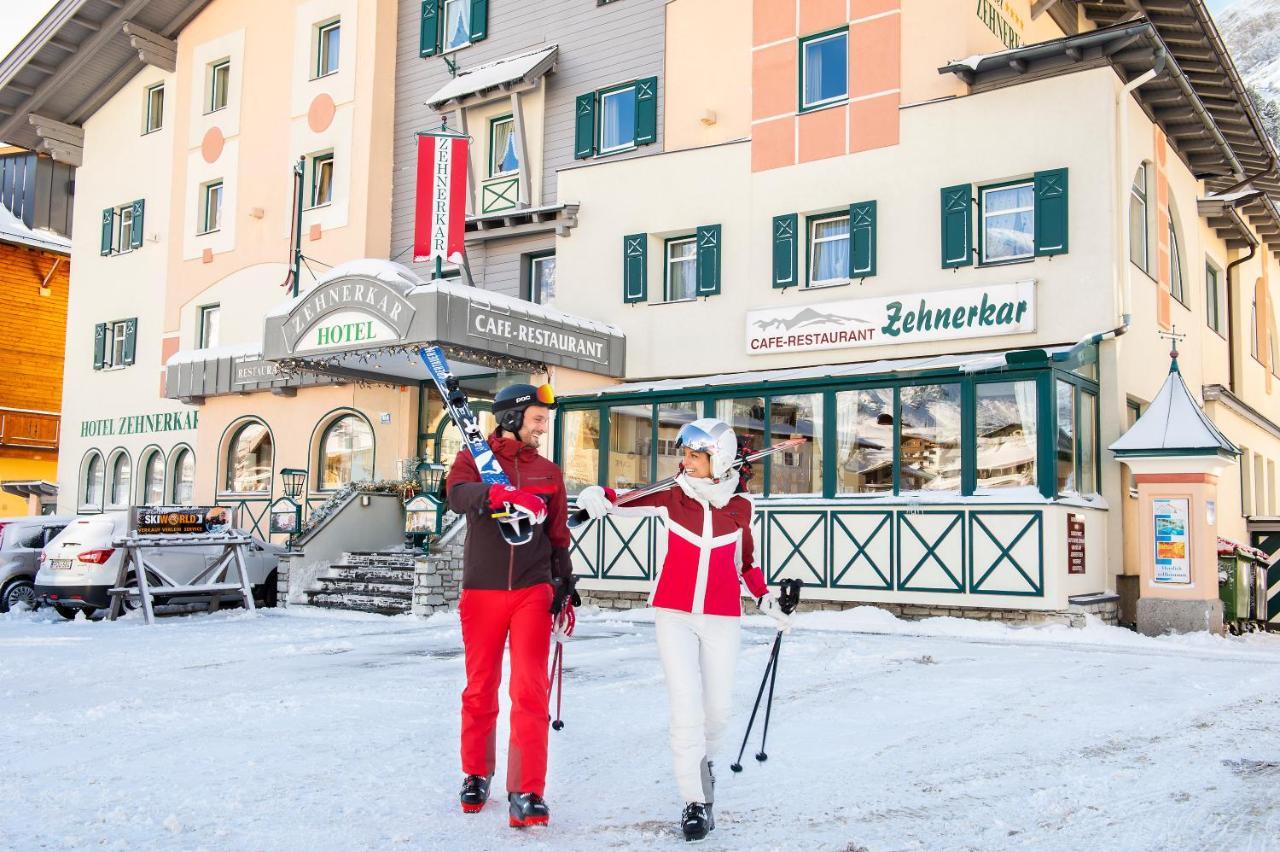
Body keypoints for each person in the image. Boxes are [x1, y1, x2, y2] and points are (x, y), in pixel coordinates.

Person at [575, 418, 791, 842]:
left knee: (718, 711)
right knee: (685, 706)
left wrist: (767, 600)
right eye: (685, 453)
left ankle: (704, 763)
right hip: (673, 613)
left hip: (722, 615)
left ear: (720, 460)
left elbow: (747, 564)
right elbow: (620, 498)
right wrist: (596, 495)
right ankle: (694, 801)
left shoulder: (742, 507)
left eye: (695, 455)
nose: (685, 461)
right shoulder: (672, 495)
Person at [444, 381, 578, 829]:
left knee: (529, 689)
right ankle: (476, 774)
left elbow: (558, 532)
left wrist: (563, 581)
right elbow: (456, 494)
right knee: (480, 687)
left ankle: (527, 789)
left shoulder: (548, 471)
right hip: (481, 590)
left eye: (546, 420)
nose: (543, 427)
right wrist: (497, 494)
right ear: (512, 418)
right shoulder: (475, 458)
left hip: (532, 589)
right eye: (538, 419)